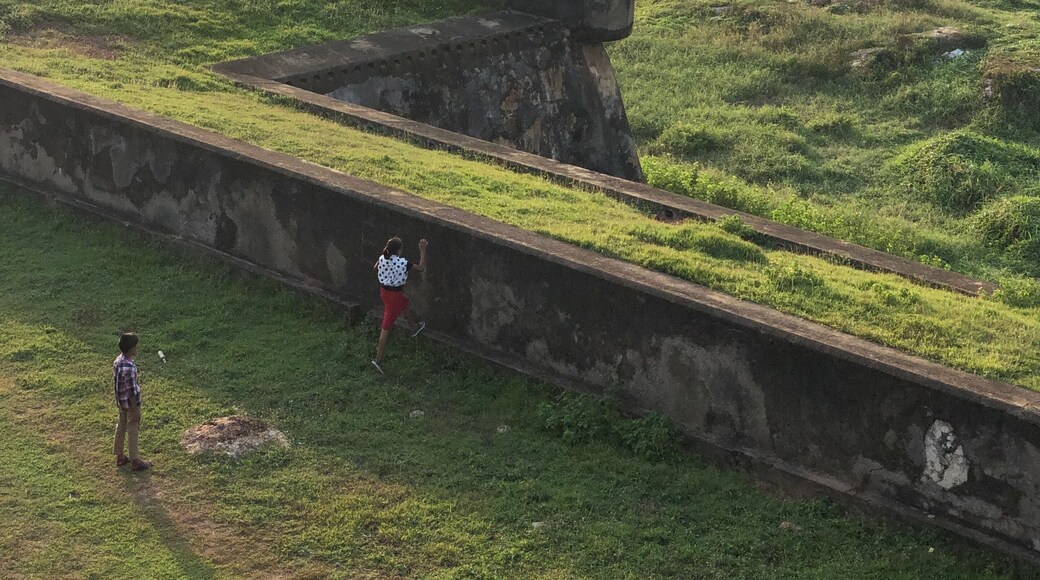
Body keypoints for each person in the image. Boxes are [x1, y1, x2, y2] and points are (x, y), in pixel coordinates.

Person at [372, 236, 428, 374]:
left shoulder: (382, 258)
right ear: (399, 250)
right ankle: (378, 360)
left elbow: (376, 267)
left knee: (404, 303)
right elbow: (421, 267)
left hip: (384, 292)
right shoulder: (403, 263)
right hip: (394, 295)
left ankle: (414, 327)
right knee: (385, 328)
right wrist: (422, 251)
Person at [113, 332, 151, 471]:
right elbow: (132, 391)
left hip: (121, 402)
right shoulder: (129, 367)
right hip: (130, 404)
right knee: (133, 428)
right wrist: (135, 409)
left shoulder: (118, 361)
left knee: (121, 426)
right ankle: (135, 459)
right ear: (131, 349)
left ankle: (120, 455)